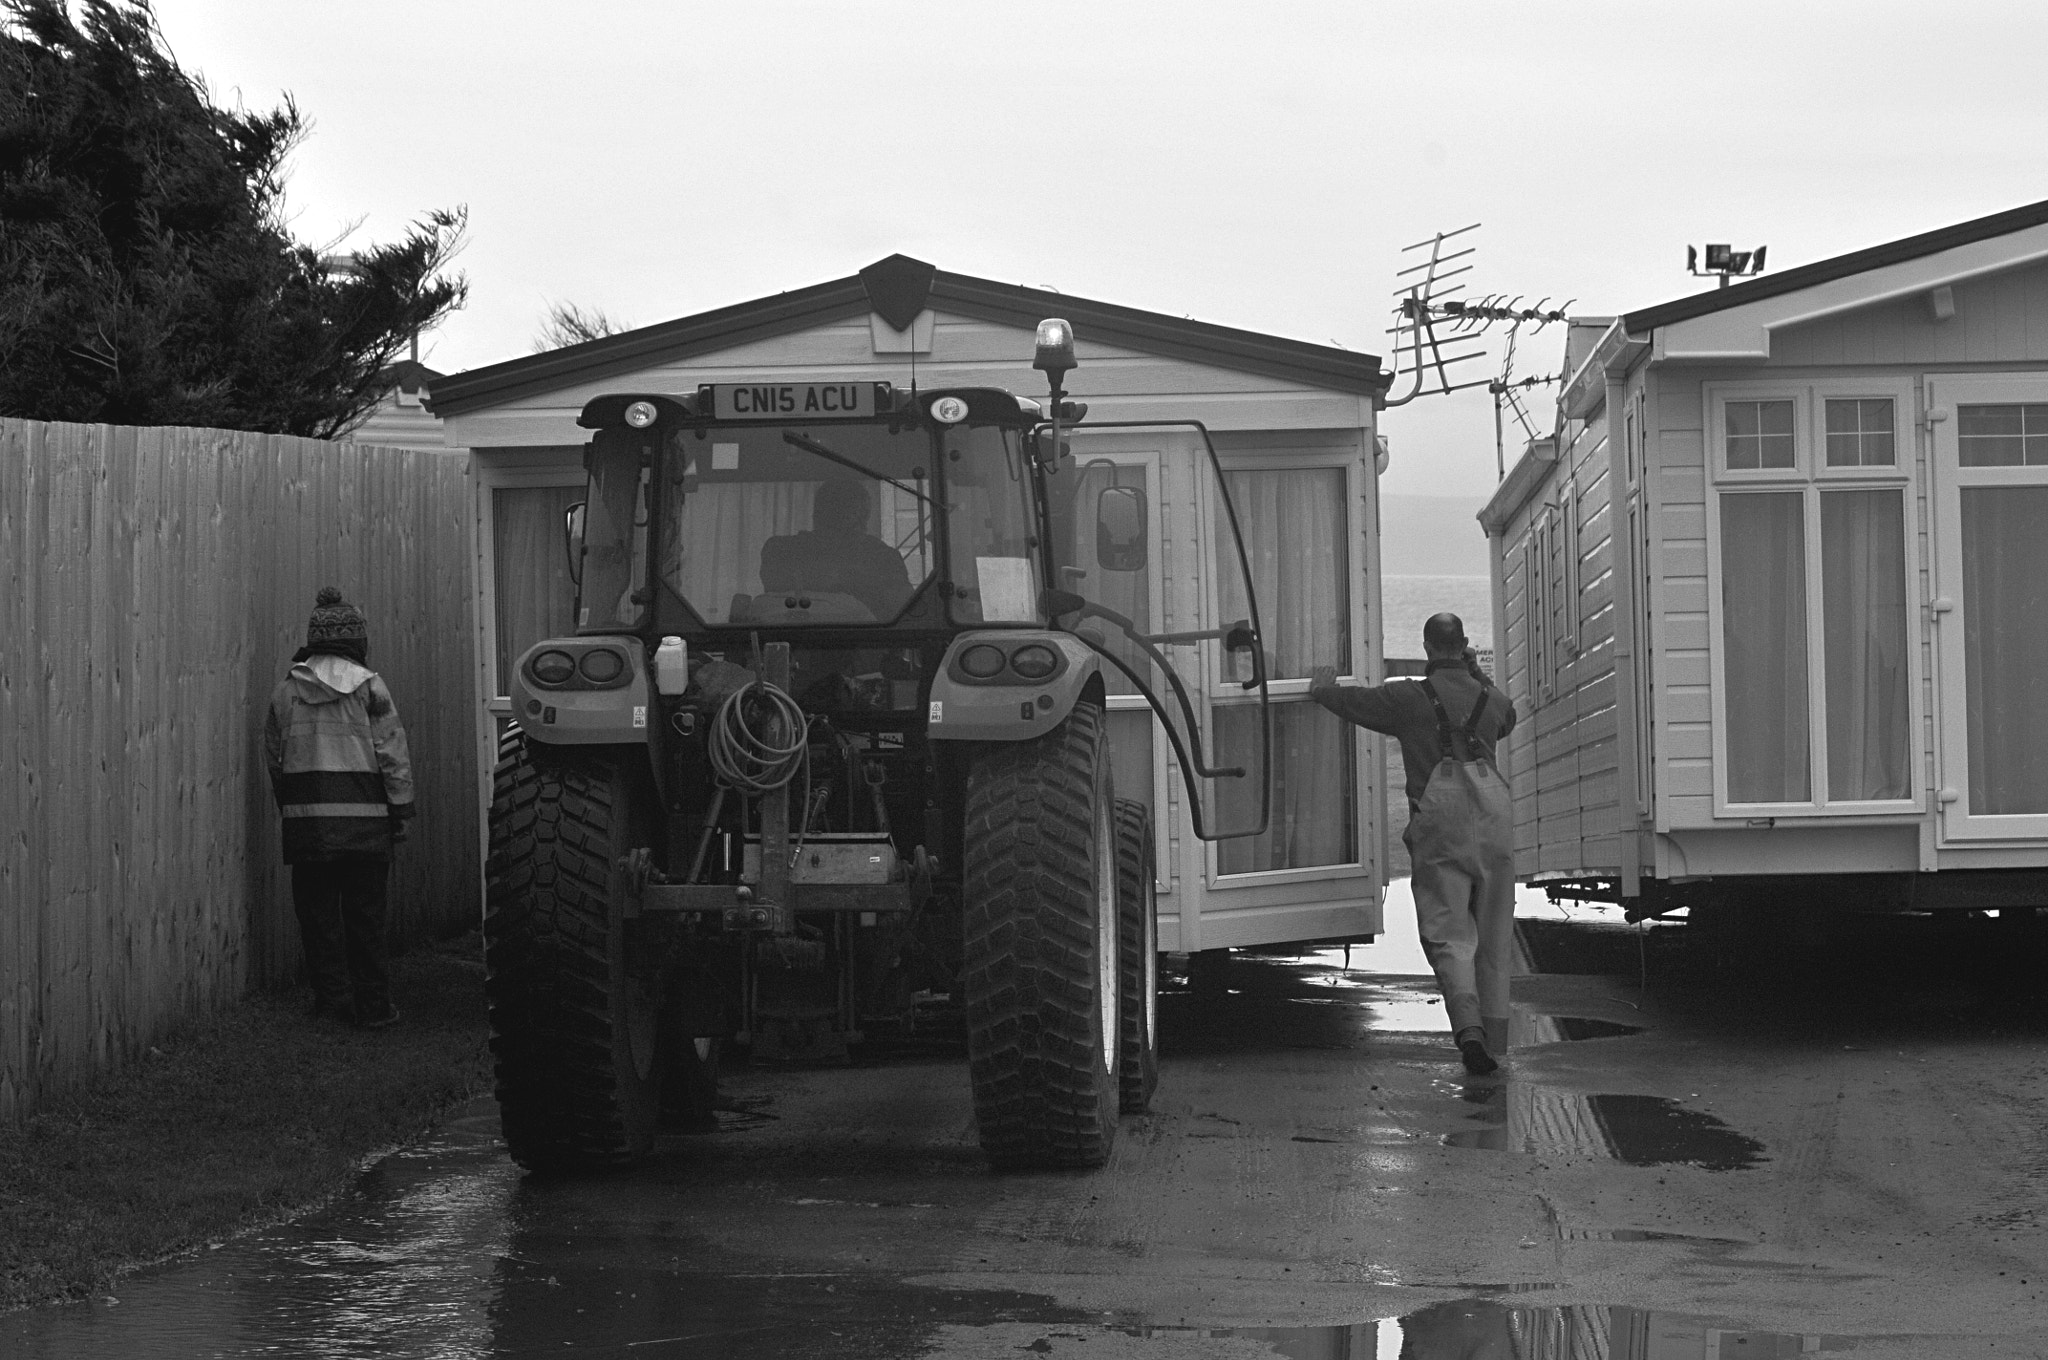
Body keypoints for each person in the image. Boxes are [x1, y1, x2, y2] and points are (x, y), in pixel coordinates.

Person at [1310, 613, 1517, 1074]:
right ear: (1463, 645)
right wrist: (1476, 672)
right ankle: (1497, 1040)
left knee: (1449, 934)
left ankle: (1470, 1034)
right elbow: (1509, 719)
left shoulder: (1406, 697)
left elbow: (1354, 703)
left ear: (1426, 648)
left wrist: (1321, 688)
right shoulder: (1492, 699)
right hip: (1495, 819)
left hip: (1441, 823)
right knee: (1495, 937)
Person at [264, 586, 415, 1028]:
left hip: (308, 827)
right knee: (366, 921)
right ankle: (373, 1008)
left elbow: (274, 759)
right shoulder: (370, 688)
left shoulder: (285, 692)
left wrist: (289, 807)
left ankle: (331, 1004)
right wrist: (400, 811)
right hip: (367, 828)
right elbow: (392, 752)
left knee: (318, 919)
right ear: (356, 641)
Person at [759, 478, 912, 619]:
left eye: (859, 516)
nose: (860, 524)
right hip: (790, 643)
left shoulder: (883, 557)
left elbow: (905, 612)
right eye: (837, 513)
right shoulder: (781, 550)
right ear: (818, 515)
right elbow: (776, 596)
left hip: (869, 644)